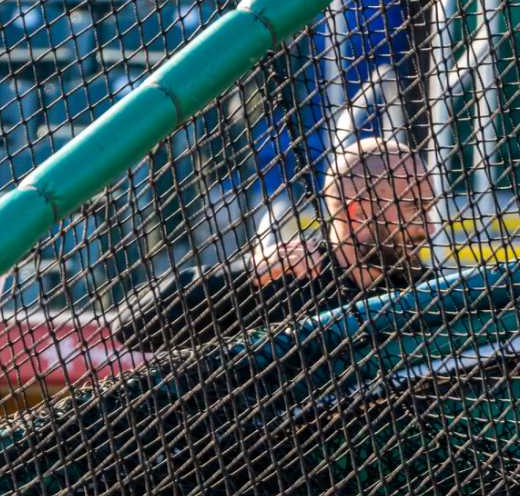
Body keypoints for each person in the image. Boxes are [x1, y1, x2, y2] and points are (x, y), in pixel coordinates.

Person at [113, 135, 436, 351]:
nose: (430, 227)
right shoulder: (288, 278)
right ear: (357, 212)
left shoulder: (426, 292)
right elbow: (130, 327)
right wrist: (247, 275)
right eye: (414, 209)